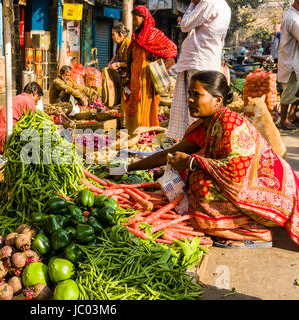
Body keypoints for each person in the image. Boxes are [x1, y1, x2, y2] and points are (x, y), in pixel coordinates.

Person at [119, 70, 299, 247]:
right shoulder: (204, 125)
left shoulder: (230, 123)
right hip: (248, 188)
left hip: (272, 193)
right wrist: (127, 168)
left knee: (200, 184)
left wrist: (192, 162)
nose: (190, 100)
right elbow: (170, 154)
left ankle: (253, 232)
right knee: (186, 174)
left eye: (196, 95)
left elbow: (237, 170)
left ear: (218, 100)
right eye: (189, 94)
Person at [166, 0, 231, 140]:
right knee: (204, 106)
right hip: (206, 60)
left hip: (198, 61)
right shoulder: (224, 5)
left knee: (195, 107)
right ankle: (201, 141)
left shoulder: (207, 3)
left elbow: (184, 25)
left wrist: (192, 4)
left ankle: (195, 143)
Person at [125, 6, 177, 135]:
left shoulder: (154, 34)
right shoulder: (136, 35)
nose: (133, 21)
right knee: (133, 101)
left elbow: (171, 48)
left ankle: (146, 132)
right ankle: (133, 131)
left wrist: (156, 60)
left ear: (143, 18)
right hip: (135, 76)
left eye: (135, 18)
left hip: (147, 77)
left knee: (147, 102)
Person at [0, 82, 43, 154]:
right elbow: (34, 124)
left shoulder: (18, 98)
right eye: (38, 99)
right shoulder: (28, 101)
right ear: (34, 94)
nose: (37, 103)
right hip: (4, 143)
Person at [277, 0, 299, 130]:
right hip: (290, 63)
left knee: (296, 92)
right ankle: (283, 120)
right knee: (289, 93)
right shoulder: (293, 18)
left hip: (294, 61)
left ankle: (291, 116)